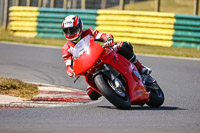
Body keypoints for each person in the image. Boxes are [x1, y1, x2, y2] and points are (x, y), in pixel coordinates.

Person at [62, 15, 151, 100]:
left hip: (101, 55)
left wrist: (108, 39)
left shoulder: (89, 32)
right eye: (67, 31)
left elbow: (102, 35)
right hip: (89, 68)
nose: (70, 33)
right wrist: (72, 72)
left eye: (73, 30)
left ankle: (140, 67)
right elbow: (68, 66)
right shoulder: (66, 48)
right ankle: (112, 90)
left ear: (79, 28)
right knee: (91, 94)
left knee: (123, 46)